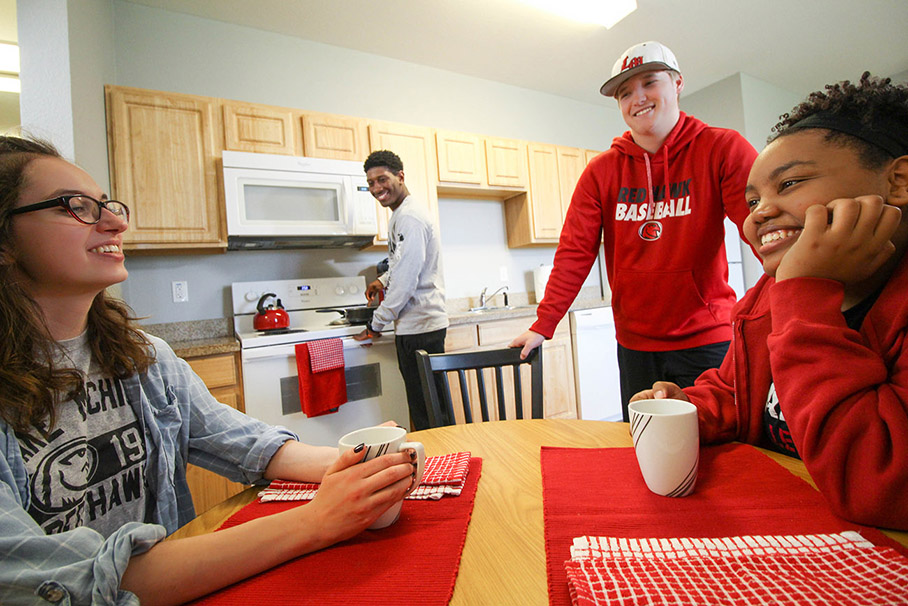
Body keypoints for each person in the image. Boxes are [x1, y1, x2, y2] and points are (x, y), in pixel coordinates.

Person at [0, 135, 418, 605]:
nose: (116, 222)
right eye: (76, 207)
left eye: (108, 206)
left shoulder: (144, 357)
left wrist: (351, 464)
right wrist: (316, 521)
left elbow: (240, 441)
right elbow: (68, 586)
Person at [631, 73, 908, 531]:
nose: (758, 212)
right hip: (781, 524)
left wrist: (805, 290)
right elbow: (737, 392)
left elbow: (880, 484)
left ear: (897, 181)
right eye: (753, 199)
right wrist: (692, 408)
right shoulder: (765, 302)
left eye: (792, 182)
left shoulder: (792, 293)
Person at [509, 41, 758, 421]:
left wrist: (796, 298)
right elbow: (575, 251)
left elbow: (761, 227)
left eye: (649, 83)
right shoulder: (601, 172)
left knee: (722, 454)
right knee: (647, 448)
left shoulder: (721, 148)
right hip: (636, 347)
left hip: (708, 340)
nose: (637, 98)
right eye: (625, 92)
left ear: (677, 84)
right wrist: (544, 324)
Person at [353, 150, 449, 430]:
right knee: (427, 407)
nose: (376, 188)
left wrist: (376, 323)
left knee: (429, 412)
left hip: (421, 329)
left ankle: (443, 467)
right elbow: (401, 263)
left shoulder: (410, 218)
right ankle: (441, 466)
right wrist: (382, 281)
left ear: (400, 176)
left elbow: (407, 280)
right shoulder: (401, 215)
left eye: (382, 179)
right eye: (371, 183)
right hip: (417, 326)